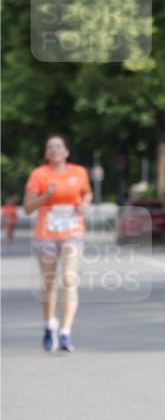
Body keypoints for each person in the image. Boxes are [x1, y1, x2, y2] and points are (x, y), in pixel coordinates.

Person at [22, 135, 92, 353]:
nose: (54, 150)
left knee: (69, 279)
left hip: (73, 231)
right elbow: (27, 208)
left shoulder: (78, 172)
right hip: (46, 234)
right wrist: (46, 196)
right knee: (50, 282)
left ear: (66, 152)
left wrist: (85, 204)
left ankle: (65, 331)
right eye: (50, 147)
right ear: (46, 153)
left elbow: (87, 193)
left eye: (58, 146)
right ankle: (49, 324)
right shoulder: (39, 175)